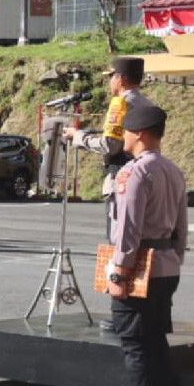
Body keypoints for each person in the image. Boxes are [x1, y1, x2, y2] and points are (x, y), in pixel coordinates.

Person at [62, 57, 153, 333]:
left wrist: (78, 138)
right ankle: (138, 310)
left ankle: (120, 313)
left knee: (118, 242)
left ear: (122, 78)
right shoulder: (146, 103)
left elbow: (110, 145)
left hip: (120, 178)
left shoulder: (121, 103)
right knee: (140, 241)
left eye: (111, 75)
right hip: (143, 173)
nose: (109, 80)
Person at [107, 106, 186, 386]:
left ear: (139, 134)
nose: (123, 137)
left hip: (140, 270)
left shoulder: (134, 172)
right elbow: (180, 228)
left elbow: (128, 229)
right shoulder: (173, 170)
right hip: (166, 266)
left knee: (135, 344)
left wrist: (118, 273)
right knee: (155, 339)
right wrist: (174, 258)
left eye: (126, 131)